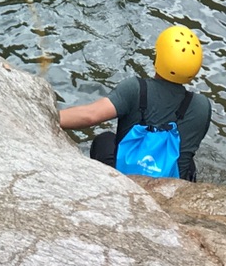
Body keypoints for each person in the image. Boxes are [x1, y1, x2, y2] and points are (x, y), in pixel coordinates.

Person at [59, 25, 215, 180]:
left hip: (127, 179)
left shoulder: (135, 89)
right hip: (172, 186)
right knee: (189, 162)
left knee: (105, 139)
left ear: (157, 58)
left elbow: (90, 116)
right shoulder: (202, 106)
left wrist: (47, 115)